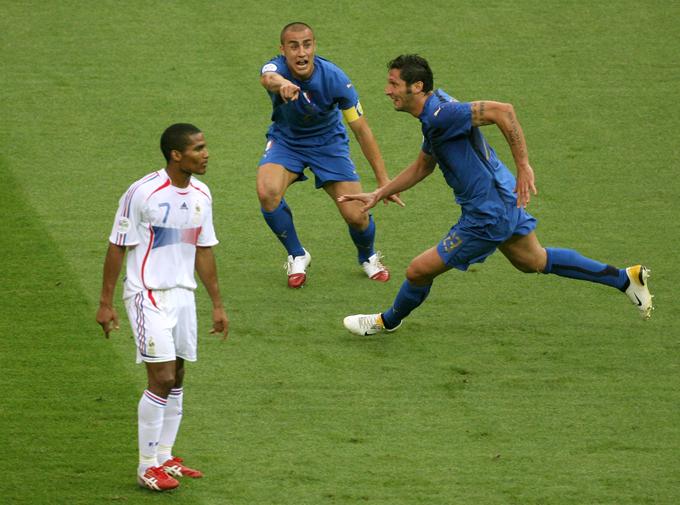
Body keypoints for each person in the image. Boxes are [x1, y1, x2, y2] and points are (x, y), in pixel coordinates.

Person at [341, 54, 653, 335]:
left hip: (486, 213)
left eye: (394, 84)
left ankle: (387, 321)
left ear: (417, 86)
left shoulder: (442, 115)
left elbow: (503, 111)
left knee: (418, 270)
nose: (387, 90)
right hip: (502, 199)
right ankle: (625, 279)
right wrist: (382, 192)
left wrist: (524, 165)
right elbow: (424, 164)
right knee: (533, 260)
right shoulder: (434, 118)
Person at [96, 123, 229, 491]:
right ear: (176, 155)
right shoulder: (142, 192)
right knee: (163, 378)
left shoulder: (202, 193)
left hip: (183, 295)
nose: (206, 154)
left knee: (179, 375)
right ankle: (145, 466)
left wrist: (217, 304)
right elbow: (116, 245)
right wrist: (106, 303)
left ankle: (165, 457)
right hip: (147, 294)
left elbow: (203, 249)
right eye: (198, 149)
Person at [257, 22, 403, 288]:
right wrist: (283, 85)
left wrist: (384, 182)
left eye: (307, 44)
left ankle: (368, 255)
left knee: (356, 215)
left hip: (328, 146)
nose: (301, 52)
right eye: (293, 46)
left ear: (314, 46)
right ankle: (297, 254)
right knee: (267, 192)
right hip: (286, 142)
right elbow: (268, 78)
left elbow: (362, 131)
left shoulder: (335, 79)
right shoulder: (275, 68)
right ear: (283, 50)